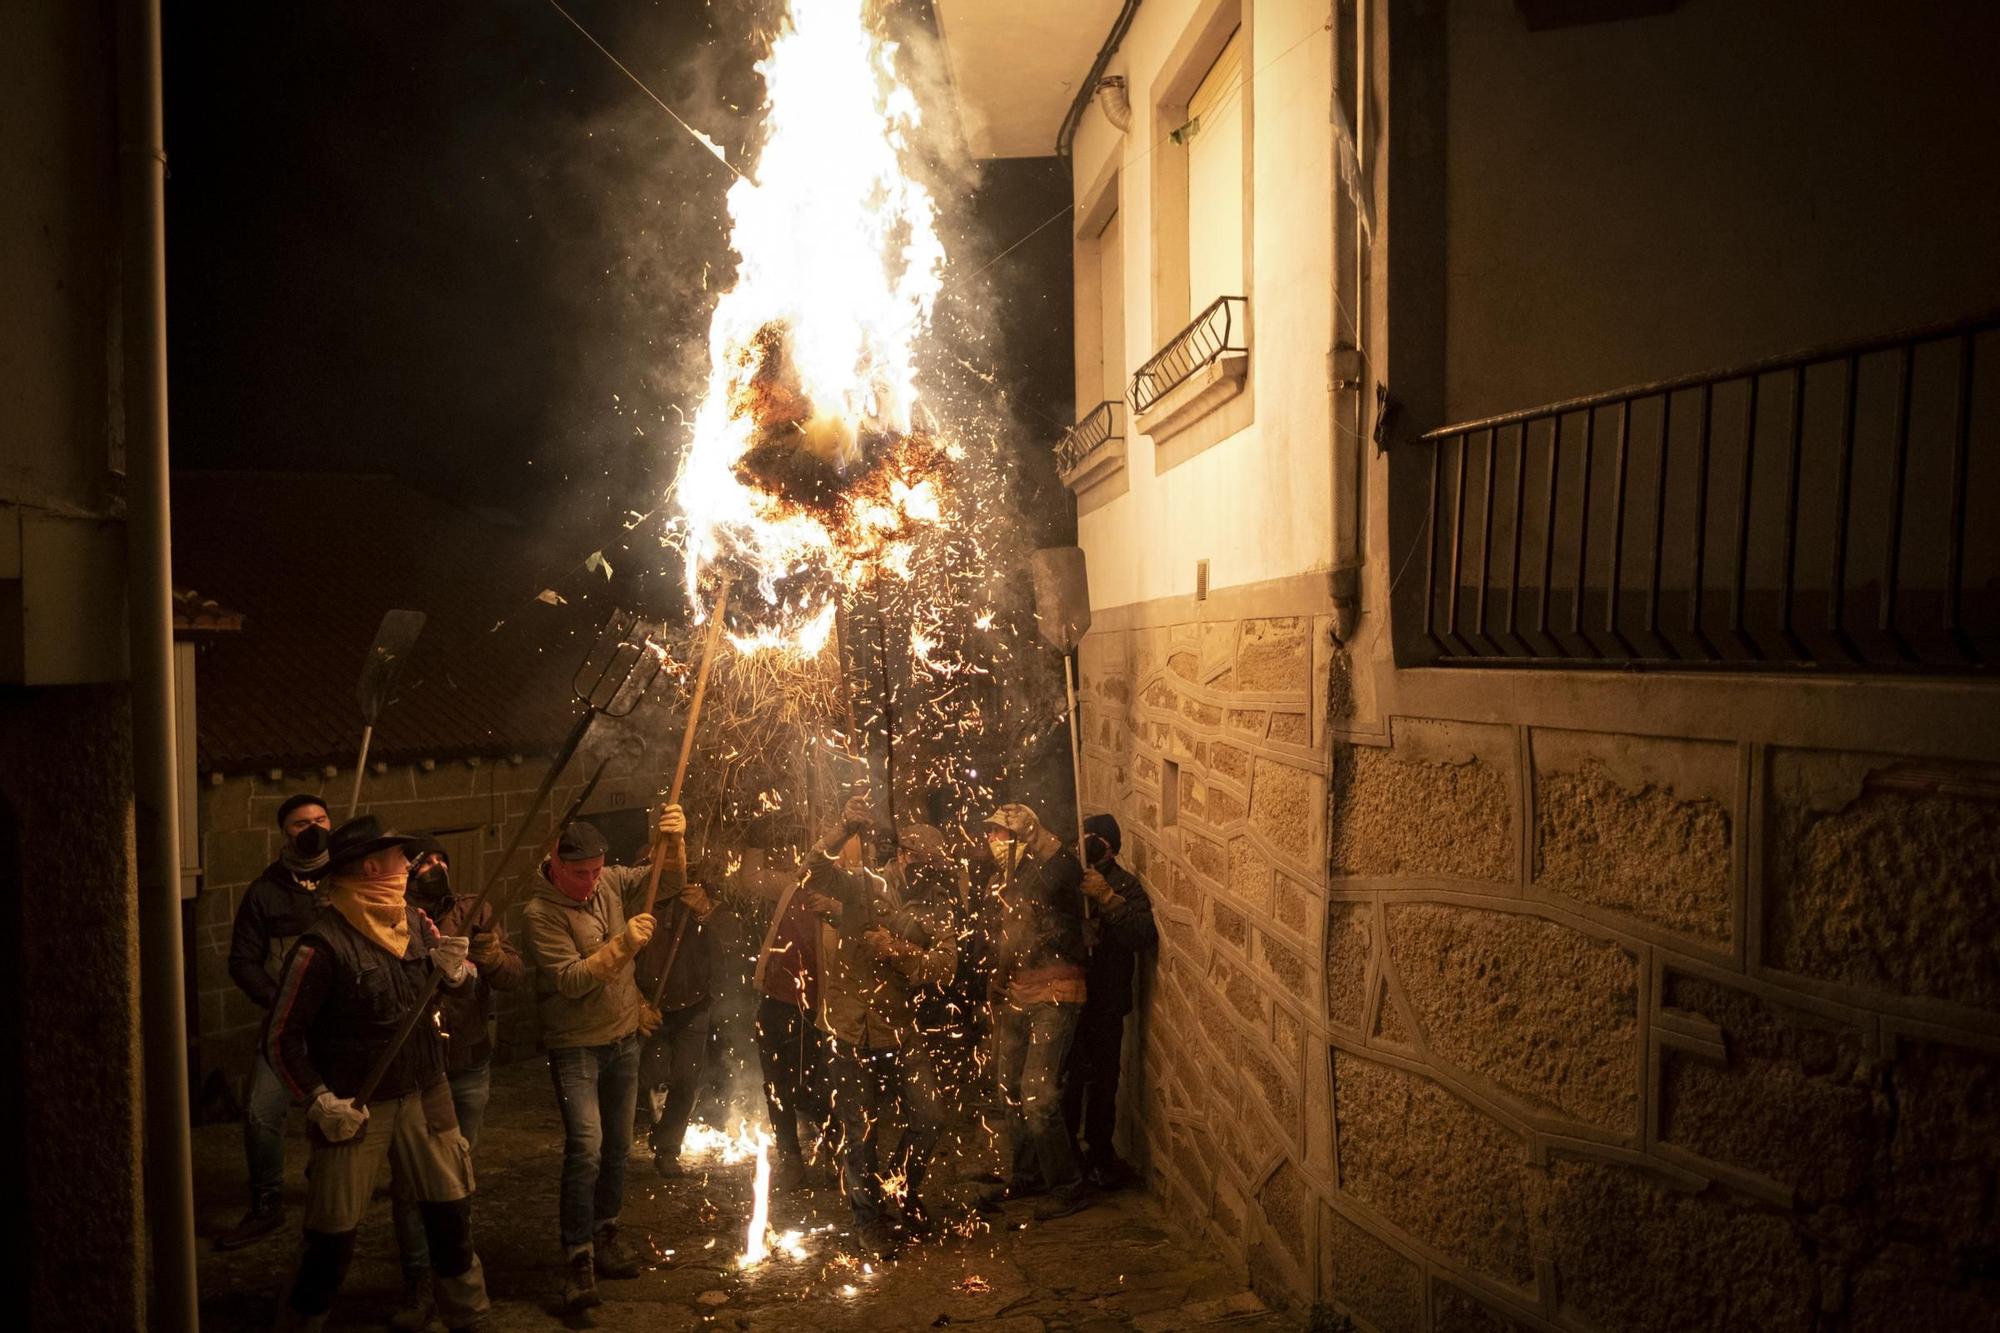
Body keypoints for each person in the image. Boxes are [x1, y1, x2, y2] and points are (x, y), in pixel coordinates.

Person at [263, 815, 490, 1332]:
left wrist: (457, 973)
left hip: (426, 1090)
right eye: (398, 857)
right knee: (330, 1239)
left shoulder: (413, 922)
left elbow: (456, 989)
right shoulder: (320, 946)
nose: (408, 865)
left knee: (452, 1220)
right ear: (370, 867)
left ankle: (471, 1321)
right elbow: (280, 1037)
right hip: (356, 1105)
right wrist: (318, 1099)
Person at [519, 805, 680, 1313]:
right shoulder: (539, 913)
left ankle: (605, 1231)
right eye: (580, 873)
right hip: (576, 1045)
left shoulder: (609, 880)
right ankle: (578, 1255)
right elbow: (570, 980)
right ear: (556, 864)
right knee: (585, 1148)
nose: (590, 882)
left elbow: (666, 880)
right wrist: (624, 943)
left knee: (616, 1147)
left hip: (622, 1038)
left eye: (596, 870)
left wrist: (674, 841)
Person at [806, 796, 958, 1257]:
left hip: (899, 1027)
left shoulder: (938, 904)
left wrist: (897, 950)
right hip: (852, 1027)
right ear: (903, 856)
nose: (920, 870)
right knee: (861, 1131)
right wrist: (844, 828)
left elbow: (945, 966)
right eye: (916, 860)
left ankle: (900, 1191)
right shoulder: (863, 884)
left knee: (929, 1117)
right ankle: (867, 1219)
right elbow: (813, 869)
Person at [389, 836, 526, 1331]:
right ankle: (418, 1281)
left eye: (441, 860)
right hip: (417, 1071)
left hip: (468, 1062)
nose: (435, 868)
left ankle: (456, 1272)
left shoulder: (476, 908)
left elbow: (513, 975)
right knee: (409, 1183)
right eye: (424, 862)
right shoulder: (392, 916)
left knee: (457, 1177)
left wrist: (488, 955)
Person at [217, 793, 333, 1251]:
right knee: (261, 1111)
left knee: (338, 1113)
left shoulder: (346, 880)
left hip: (339, 1022)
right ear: (284, 832)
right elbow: (243, 961)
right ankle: (266, 1205)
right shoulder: (264, 893)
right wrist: (281, 1000)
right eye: (301, 823)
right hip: (286, 1023)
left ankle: (330, 1187)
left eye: (321, 819)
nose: (313, 828)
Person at [977, 801, 1094, 1222]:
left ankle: (1068, 1185)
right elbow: (1009, 934)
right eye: (989, 833)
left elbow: (1059, 878)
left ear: (1025, 835)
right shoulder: (1013, 875)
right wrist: (997, 979)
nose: (991, 841)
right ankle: (1029, 1175)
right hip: (1019, 991)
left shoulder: (1055, 865)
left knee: (1037, 1095)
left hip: (1057, 993)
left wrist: (1038, 839)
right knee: (1008, 1087)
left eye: (999, 833)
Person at [1061, 813, 1156, 1188]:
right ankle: (1069, 1159)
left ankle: (1100, 1154)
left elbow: (1142, 933)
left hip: (1107, 999)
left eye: (1094, 839)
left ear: (1110, 848)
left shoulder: (1126, 886)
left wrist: (1108, 900)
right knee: (1069, 1081)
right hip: (1071, 997)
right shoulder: (1069, 883)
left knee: (1103, 1081)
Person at [749, 835, 837, 1191]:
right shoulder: (789, 887)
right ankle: (791, 1161)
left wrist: (834, 907)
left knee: (816, 1090)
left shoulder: (842, 895)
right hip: (775, 1001)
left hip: (818, 1009)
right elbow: (749, 879)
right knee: (776, 1086)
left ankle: (837, 1152)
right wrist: (754, 831)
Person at [634, 847, 727, 1180]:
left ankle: (668, 1147)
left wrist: (706, 909)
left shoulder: (702, 888)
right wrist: (637, 1003)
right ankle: (633, 1135)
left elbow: (734, 937)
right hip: (651, 1004)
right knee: (649, 1075)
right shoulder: (639, 891)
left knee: (686, 1080)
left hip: (693, 1002)